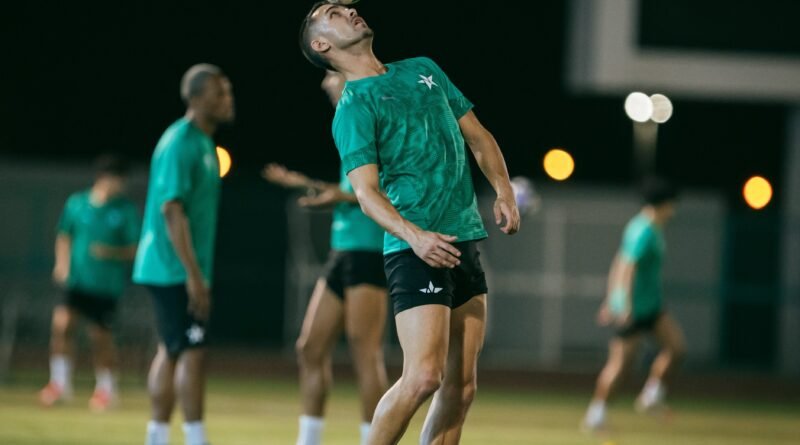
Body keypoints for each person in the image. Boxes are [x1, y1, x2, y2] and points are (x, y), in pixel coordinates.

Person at [299, 3, 521, 444]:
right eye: (334, 12)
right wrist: (414, 237)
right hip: (414, 249)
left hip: (464, 240)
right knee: (423, 377)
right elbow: (366, 193)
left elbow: (477, 135)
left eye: (348, 6)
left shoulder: (424, 68)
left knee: (461, 387)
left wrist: (504, 190)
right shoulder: (353, 106)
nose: (350, 11)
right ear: (321, 44)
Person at [263, 70, 388, 445]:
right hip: (343, 251)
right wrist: (303, 182)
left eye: (331, 77)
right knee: (310, 347)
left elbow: (378, 193)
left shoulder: (370, 122)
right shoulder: (348, 123)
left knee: (365, 354)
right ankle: (309, 439)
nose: (324, 84)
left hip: (369, 250)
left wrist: (338, 197)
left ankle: (374, 439)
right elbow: (349, 189)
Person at [133, 63, 234, 445]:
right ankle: (195, 438)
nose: (227, 98)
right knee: (191, 352)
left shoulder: (204, 144)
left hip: (175, 267)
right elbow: (171, 210)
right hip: (171, 268)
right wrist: (194, 277)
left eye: (227, 91)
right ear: (194, 98)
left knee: (175, 349)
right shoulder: (180, 142)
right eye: (218, 92)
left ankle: (158, 437)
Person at [582, 178, 686, 432]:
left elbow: (617, 261)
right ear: (662, 205)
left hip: (651, 306)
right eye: (671, 205)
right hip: (634, 309)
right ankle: (595, 414)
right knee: (620, 365)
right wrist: (622, 304)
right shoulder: (643, 231)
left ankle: (651, 396)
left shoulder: (651, 227)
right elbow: (627, 266)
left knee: (676, 347)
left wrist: (610, 297)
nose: (673, 210)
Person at [39, 154, 140, 412]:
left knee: (100, 337)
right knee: (62, 326)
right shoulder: (78, 203)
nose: (122, 185)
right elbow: (64, 235)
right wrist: (62, 264)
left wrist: (110, 252)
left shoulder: (124, 210)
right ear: (104, 178)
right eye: (118, 179)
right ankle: (59, 384)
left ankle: (107, 389)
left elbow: (134, 248)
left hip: (105, 286)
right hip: (76, 281)